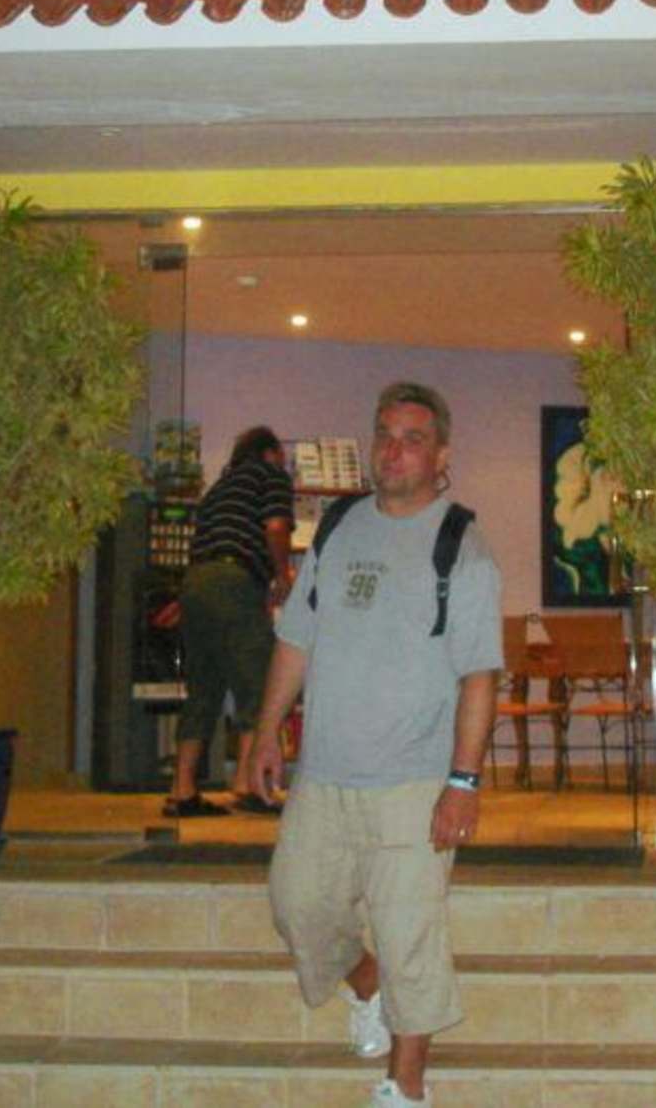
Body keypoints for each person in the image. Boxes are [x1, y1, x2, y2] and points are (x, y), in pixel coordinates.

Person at [249, 382, 502, 1108]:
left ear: (441, 455)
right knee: (297, 905)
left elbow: (480, 676)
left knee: (409, 934)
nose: (393, 451)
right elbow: (297, 639)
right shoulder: (337, 528)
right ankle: (366, 984)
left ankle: (406, 1086)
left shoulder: (462, 546)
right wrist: (266, 732)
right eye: (384, 435)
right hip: (324, 774)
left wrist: (463, 782)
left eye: (412, 439)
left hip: (414, 782)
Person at [165, 424, 296, 818]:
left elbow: (202, 545)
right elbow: (275, 526)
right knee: (258, 682)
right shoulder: (271, 475)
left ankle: (182, 791)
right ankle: (248, 784)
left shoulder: (218, 490)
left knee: (203, 689)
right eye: (282, 456)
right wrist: (283, 575)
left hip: (197, 582)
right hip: (235, 581)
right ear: (269, 453)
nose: (285, 463)